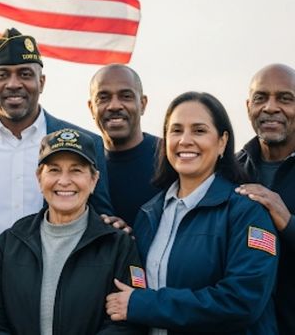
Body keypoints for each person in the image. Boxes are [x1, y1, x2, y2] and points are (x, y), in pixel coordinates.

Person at [106, 92, 278, 334]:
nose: (185, 140)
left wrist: (145, 304)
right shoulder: (149, 214)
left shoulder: (246, 211)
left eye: (199, 131)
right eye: (176, 130)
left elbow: (243, 301)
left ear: (222, 141)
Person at [0, 27, 113, 244]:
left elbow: (101, 218)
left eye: (25, 74)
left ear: (41, 82)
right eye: (2, 75)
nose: (13, 84)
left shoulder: (87, 142)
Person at [0, 128, 145, 335]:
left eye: (76, 170)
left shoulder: (119, 245)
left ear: (93, 180)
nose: (64, 181)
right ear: (39, 178)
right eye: (54, 170)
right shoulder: (10, 242)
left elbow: (126, 324)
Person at [235, 64, 295, 335]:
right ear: (249, 106)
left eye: (285, 99)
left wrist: (288, 222)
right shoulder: (230, 170)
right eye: (261, 98)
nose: (271, 107)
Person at [89, 64, 160, 226]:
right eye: (103, 98)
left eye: (126, 96)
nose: (114, 106)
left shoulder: (170, 157)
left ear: (143, 104)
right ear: (91, 108)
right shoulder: (83, 166)